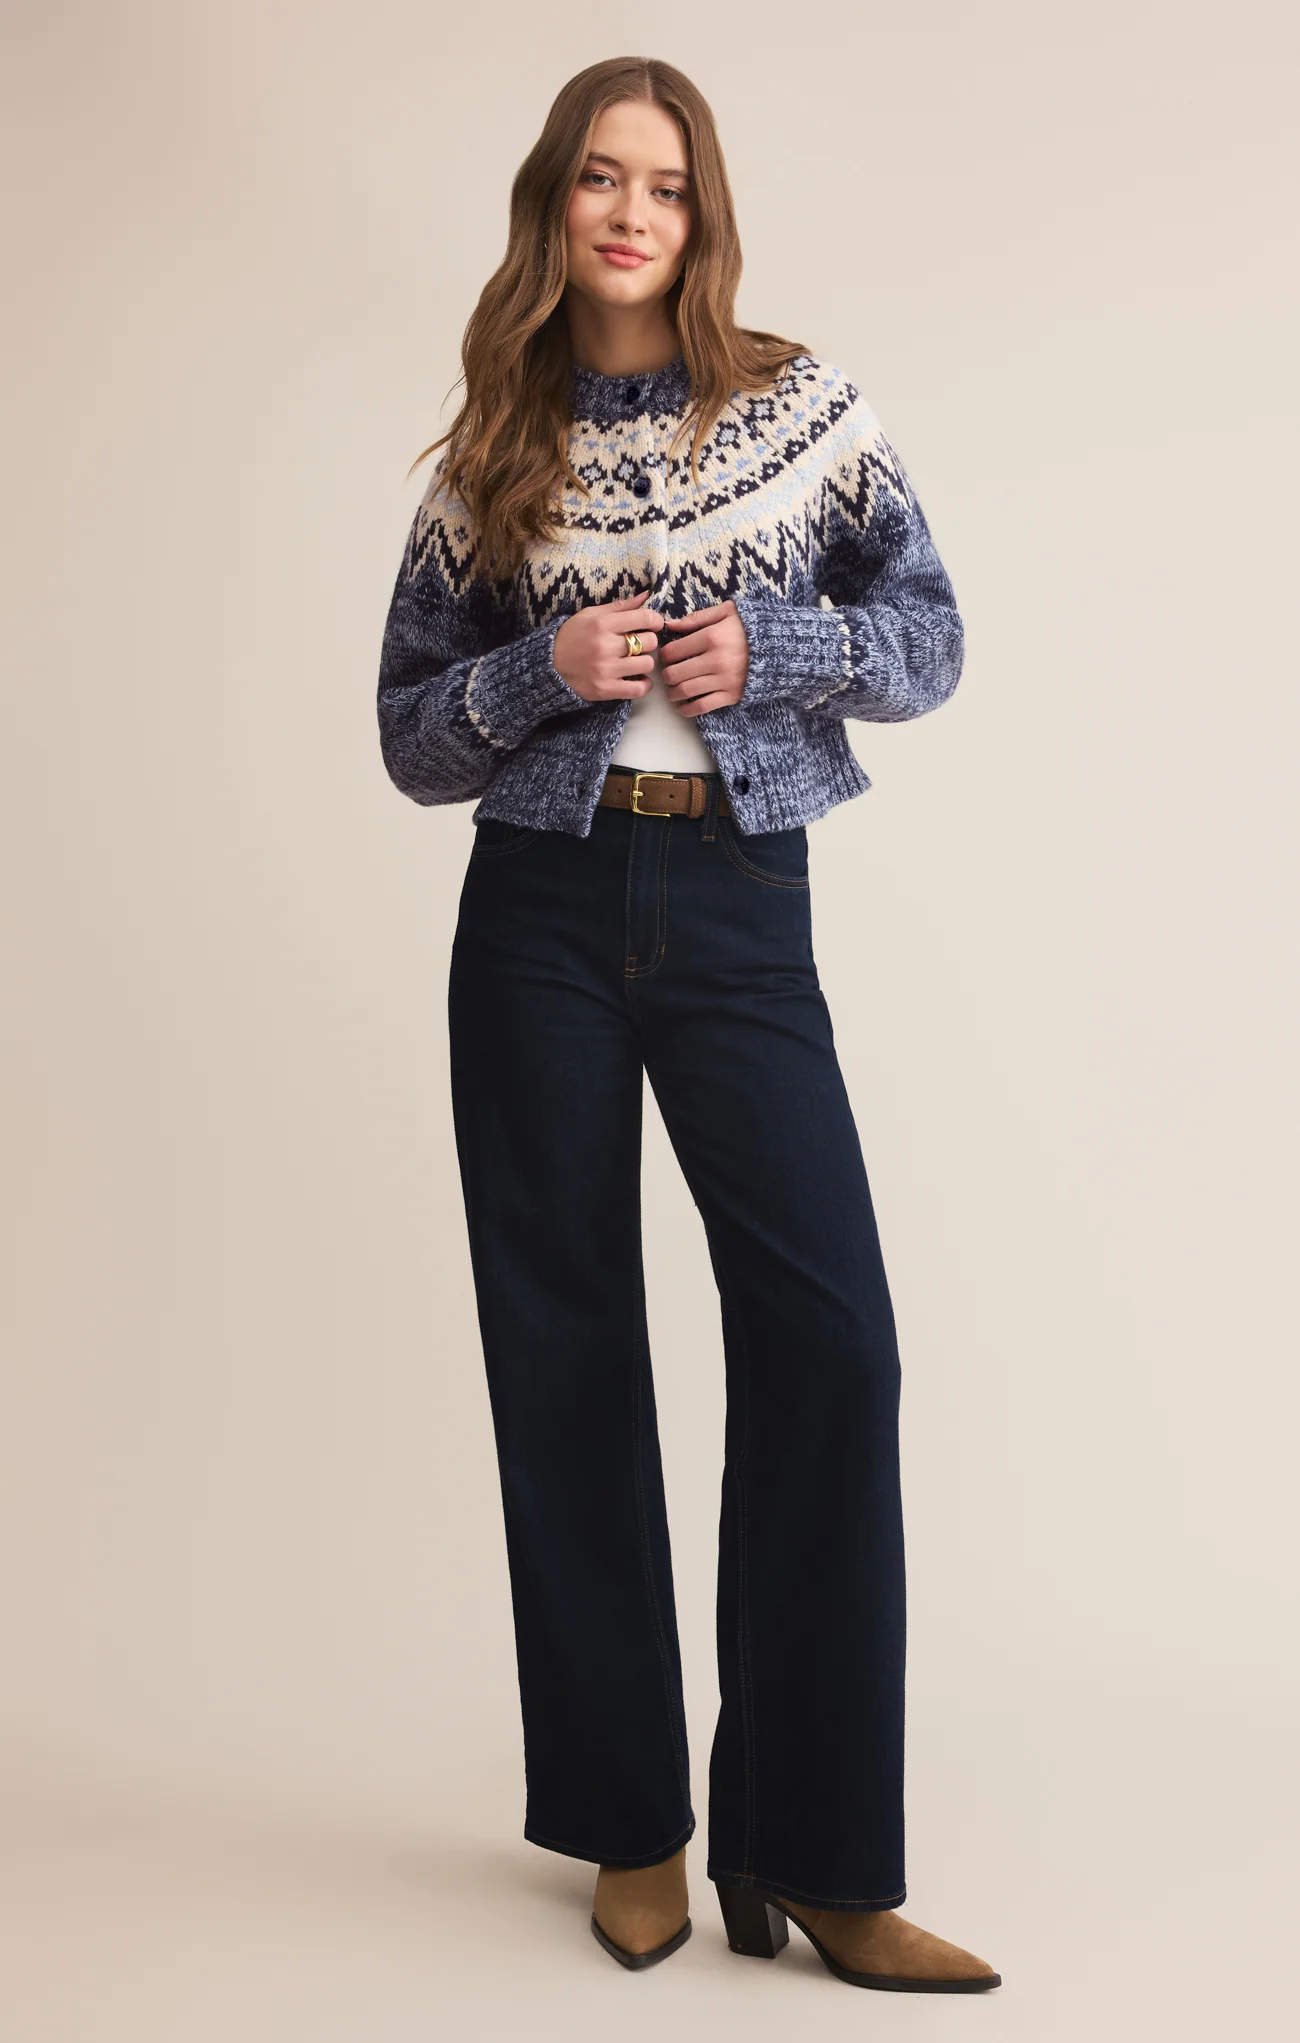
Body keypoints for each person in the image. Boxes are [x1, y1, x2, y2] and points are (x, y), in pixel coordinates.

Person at [376, 55, 1000, 1995]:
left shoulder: (799, 406)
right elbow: (407, 733)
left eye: (662, 183)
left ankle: (819, 1852)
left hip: (735, 902)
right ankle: (631, 1826)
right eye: (597, 178)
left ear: (701, 211)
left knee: (832, 1346)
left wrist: (785, 646)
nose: (630, 212)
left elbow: (932, 636)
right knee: (563, 1356)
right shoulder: (496, 440)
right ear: (552, 204)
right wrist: (538, 671)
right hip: (539, 916)